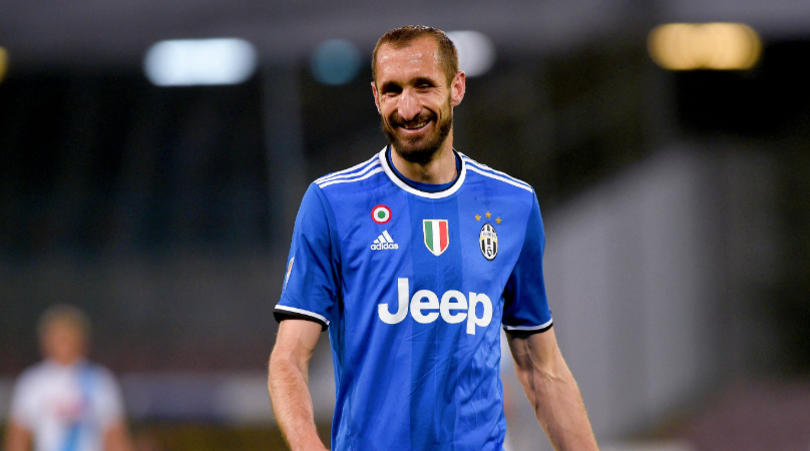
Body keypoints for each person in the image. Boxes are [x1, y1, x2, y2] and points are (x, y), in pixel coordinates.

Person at [268, 25, 598, 450]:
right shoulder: (333, 203)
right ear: (376, 97)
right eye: (392, 90)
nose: (407, 108)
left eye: (423, 86)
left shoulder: (513, 205)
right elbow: (289, 360)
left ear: (457, 87)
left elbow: (541, 368)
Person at [5, 304, 134, 451]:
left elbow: (115, 437)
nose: (63, 343)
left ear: (81, 338)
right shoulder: (32, 382)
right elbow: (18, 439)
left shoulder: (100, 380)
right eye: (57, 336)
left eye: (68, 335)